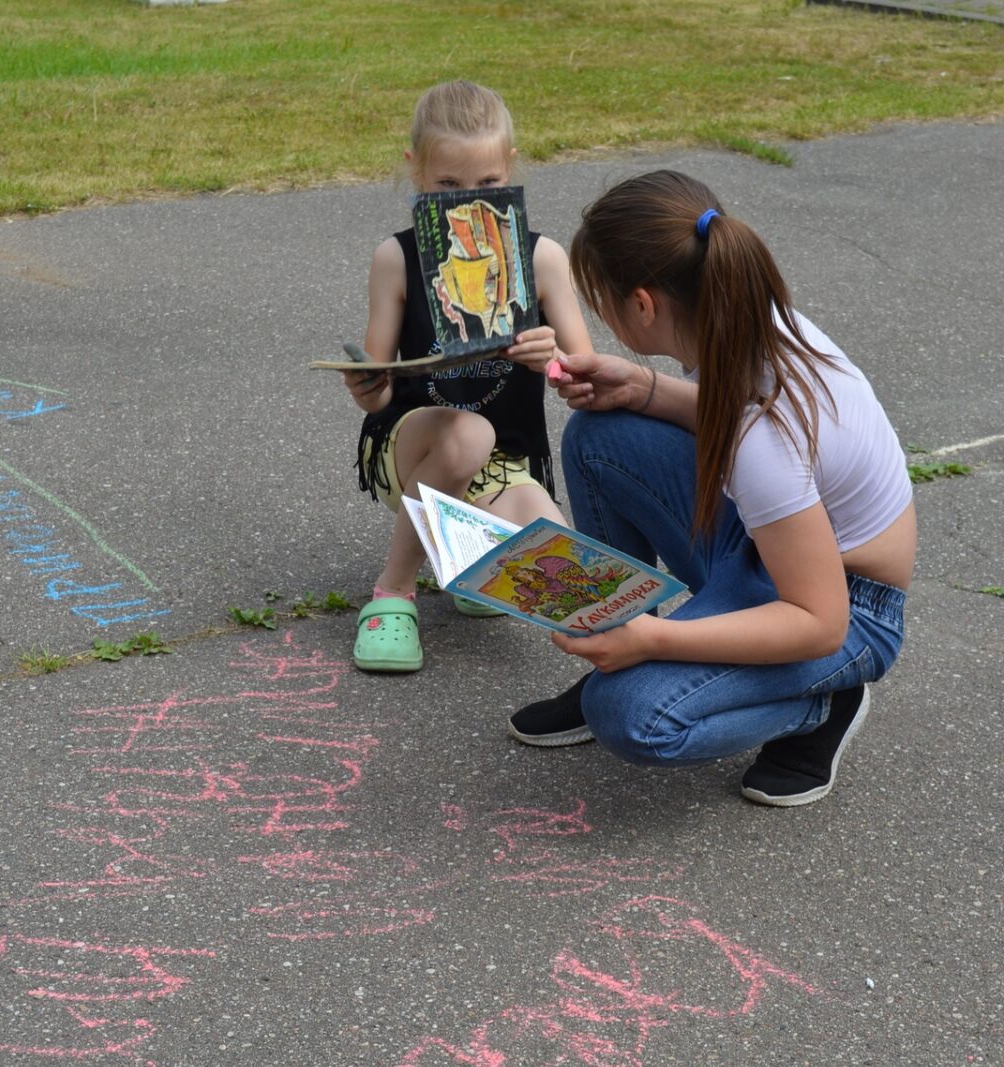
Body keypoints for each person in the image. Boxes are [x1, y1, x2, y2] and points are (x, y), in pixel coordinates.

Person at [507, 169, 915, 807]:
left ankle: (820, 708)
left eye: (601, 302)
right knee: (600, 433)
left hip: (851, 611)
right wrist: (641, 388)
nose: (602, 316)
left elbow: (820, 622)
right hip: (774, 549)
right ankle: (627, 646)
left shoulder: (764, 442)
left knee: (629, 716)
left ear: (643, 304)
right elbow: (734, 411)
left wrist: (654, 640)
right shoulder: (755, 319)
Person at [344, 81, 593, 673]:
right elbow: (378, 394)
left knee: (565, 570)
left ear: (510, 167)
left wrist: (551, 357)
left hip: (507, 462)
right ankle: (393, 594)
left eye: (486, 185)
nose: (466, 200)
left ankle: (470, 564)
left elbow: (585, 380)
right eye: (446, 187)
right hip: (414, 448)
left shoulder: (542, 258)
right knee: (467, 434)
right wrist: (366, 384)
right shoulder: (396, 257)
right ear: (416, 172)